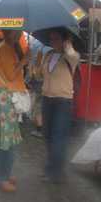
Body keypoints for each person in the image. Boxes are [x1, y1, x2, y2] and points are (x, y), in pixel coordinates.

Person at [0, 29, 31, 192]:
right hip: (5, 97)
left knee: (2, 138)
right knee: (10, 140)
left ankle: (1, 173)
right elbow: (11, 75)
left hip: (0, 95)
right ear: (8, 32)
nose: (19, 35)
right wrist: (25, 60)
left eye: (20, 32)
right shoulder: (6, 48)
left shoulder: (4, 47)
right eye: (16, 32)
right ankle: (1, 178)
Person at [34, 28, 80, 183]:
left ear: (64, 40)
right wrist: (38, 63)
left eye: (58, 39)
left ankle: (56, 172)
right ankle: (51, 168)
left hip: (63, 101)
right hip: (47, 99)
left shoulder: (71, 57)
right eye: (52, 39)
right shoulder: (48, 55)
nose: (54, 42)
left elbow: (72, 55)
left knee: (58, 137)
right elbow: (38, 76)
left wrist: (68, 44)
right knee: (47, 135)